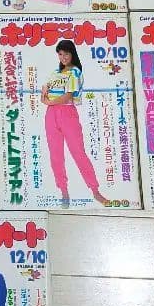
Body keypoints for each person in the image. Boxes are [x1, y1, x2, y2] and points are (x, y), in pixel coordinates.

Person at [41, 39, 108, 207]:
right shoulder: (55, 73)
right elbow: (44, 92)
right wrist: (44, 94)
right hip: (51, 115)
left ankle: (95, 190)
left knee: (78, 152)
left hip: (67, 113)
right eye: (60, 54)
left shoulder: (75, 72)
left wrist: (49, 101)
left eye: (66, 53)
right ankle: (63, 191)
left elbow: (68, 96)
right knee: (55, 154)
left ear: (72, 54)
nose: (63, 57)